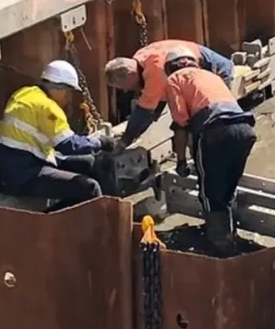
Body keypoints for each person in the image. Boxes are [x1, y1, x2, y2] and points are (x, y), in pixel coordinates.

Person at [106, 38, 255, 253]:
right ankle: (227, 233)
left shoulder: (171, 79)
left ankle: (219, 245)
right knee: (228, 185)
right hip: (245, 127)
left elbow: (180, 126)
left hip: (215, 130)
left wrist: (182, 160)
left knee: (210, 189)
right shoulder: (210, 76)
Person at [0, 59, 115, 207]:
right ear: (59, 89)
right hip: (23, 175)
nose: (67, 98)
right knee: (89, 187)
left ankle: (115, 207)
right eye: (67, 92)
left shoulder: (26, 93)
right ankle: (96, 224)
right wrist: (100, 142)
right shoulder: (47, 107)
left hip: (21, 163)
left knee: (95, 163)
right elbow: (68, 145)